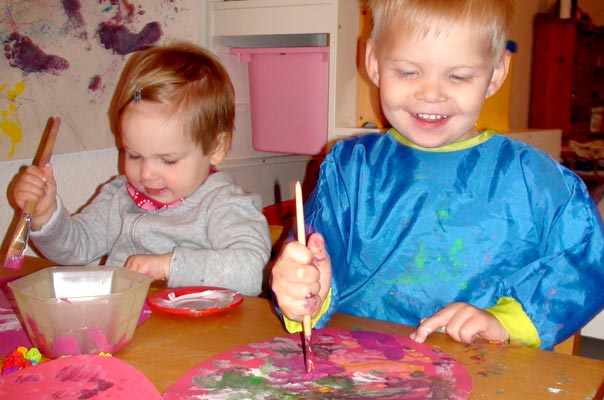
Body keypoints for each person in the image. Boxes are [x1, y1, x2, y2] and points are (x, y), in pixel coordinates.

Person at [270, 0, 604, 350]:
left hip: (481, 369)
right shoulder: (349, 170)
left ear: (496, 73)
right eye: (408, 72)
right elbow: (312, 267)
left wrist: (502, 321)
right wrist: (303, 291)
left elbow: (587, 265)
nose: (430, 94)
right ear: (373, 63)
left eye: (458, 76)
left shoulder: (535, 180)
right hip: (357, 364)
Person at [11, 42, 272, 296]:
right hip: (129, 329)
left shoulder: (224, 204)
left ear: (216, 148)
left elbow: (252, 271)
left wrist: (167, 265)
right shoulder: (119, 196)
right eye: (133, 155)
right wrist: (46, 214)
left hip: (204, 336)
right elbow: (74, 250)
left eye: (168, 160)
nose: (146, 174)